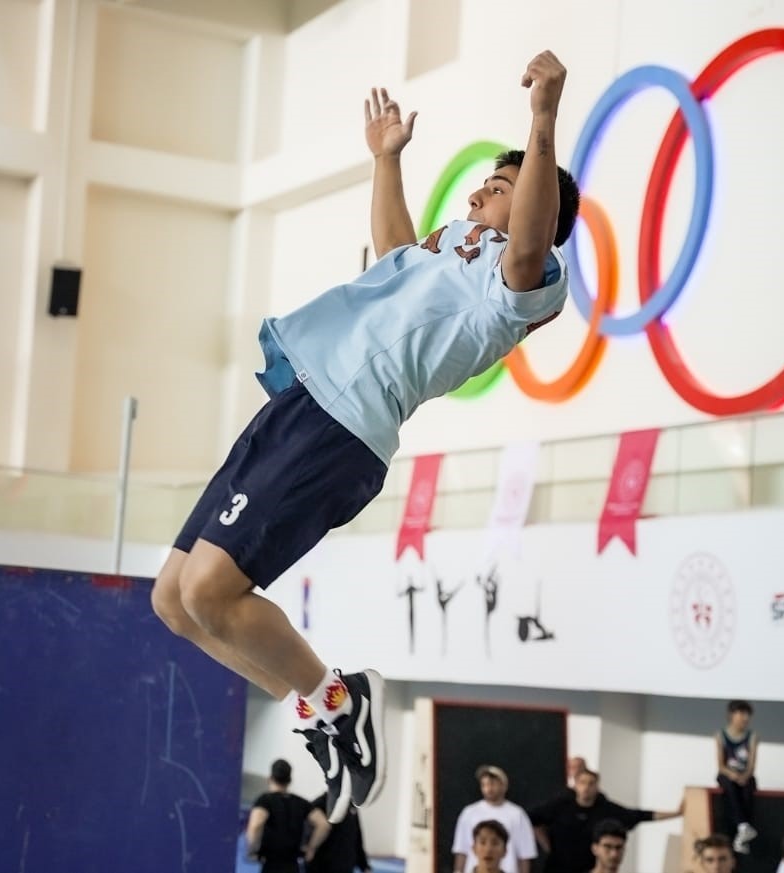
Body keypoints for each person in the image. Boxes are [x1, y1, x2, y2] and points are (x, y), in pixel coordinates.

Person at [150, 50, 580, 825]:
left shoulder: (521, 284)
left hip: (343, 427)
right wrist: (387, 162)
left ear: (535, 212)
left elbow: (526, 239)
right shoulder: (451, 246)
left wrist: (542, 119)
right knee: (175, 601)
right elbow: (392, 260)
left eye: (505, 184)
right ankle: (324, 711)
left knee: (214, 589)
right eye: (492, 176)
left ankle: (339, 701)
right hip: (299, 400)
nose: (487, 184)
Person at [531, 767, 683, 873]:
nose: (586, 787)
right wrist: (547, 846)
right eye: (582, 783)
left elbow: (640, 815)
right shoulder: (560, 805)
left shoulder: (606, 809)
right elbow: (532, 819)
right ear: (575, 785)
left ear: (597, 786)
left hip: (589, 866)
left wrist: (676, 813)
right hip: (559, 867)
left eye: (591, 783)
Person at [247, 759, 331, 873]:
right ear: (289, 780)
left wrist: (253, 849)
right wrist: (311, 848)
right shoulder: (301, 803)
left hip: (271, 864)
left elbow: (256, 825)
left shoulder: (265, 800)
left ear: (270, 778)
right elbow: (324, 825)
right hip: (292, 865)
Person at [452, 765, 538, 873]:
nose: (489, 788)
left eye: (492, 784)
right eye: (484, 784)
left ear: (504, 786)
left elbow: (525, 854)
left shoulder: (518, 815)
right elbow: (461, 849)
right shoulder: (468, 813)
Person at [715, 700, 758, 853]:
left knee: (747, 791)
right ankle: (743, 827)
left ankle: (742, 834)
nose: (745, 718)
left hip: (745, 776)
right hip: (727, 775)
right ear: (731, 715)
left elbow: (752, 765)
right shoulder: (721, 735)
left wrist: (744, 776)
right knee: (729, 787)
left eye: (747, 715)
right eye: (741, 714)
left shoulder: (752, 736)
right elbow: (721, 765)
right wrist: (732, 774)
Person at [306, 792, 370, 873]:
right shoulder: (319, 804)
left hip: (345, 864)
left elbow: (357, 837)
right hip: (323, 864)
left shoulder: (350, 805)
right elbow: (307, 833)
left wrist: (364, 865)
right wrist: (310, 849)